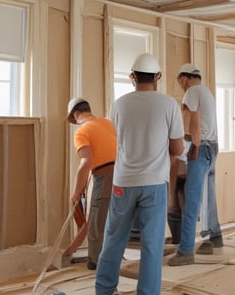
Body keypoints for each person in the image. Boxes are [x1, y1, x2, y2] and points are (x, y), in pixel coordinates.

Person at [95, 53, 184, 295]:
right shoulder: (169, 105)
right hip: (154, 183)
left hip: (123, 182)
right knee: (152, 245)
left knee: (113, 240)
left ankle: (103, 290)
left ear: (132, 77)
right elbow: (177, 148)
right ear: (159, 77)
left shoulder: (119, 104)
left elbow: (120, 140)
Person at [168, 63, 222, 266]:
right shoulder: (207, 92)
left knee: (191, 199)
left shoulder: (191, 93)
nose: (181, 86)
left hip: (201, 148)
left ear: (184, 78)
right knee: (209, 194)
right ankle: (215, 237)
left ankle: (186, 251)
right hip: (213, 147)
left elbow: (187, 124)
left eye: (179, 82)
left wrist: (186, 148)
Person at [67, 97, 117, 270]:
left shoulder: (82, 131)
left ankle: (96, 261)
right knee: (113, 220)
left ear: (76, 114)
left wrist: (76, 193)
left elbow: (85, 163)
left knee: (96, 223)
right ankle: (114, 256)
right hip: (122, 175)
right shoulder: (107, 123)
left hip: (104, 176)